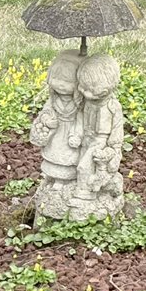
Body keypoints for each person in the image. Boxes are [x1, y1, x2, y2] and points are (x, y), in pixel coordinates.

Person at [68, 53, 126, 222]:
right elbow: (79, 119)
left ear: (105, 90)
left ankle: (85, 196)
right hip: (86, 140)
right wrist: (76, 134)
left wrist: (114, 149)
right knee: (77, 165)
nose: (82, 91)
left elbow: (117, 130)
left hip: (100, 144)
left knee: (84, 167)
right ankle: (90, 188)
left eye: (87, 89)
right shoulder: (86, 102)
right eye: (81, 86)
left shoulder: (112, 106)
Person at [29, 52, 84, 219]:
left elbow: (81, 119)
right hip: (57, 133)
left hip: (69, 134)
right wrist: (47, 119)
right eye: (57, 79)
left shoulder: (79, 102)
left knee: (69, 158)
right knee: (54, 156)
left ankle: (64, 182)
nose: (61, 85)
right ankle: (52, 178)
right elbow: (47, 110)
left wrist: (77, 134)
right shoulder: (54, 99)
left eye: (67, 81)